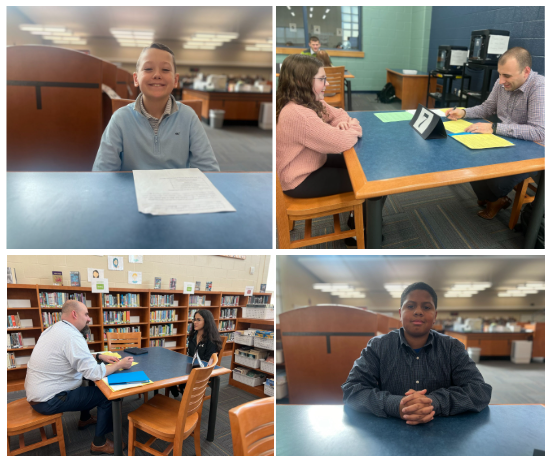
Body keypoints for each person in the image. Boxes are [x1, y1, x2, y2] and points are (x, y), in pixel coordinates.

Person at [342, 282, 492, 424]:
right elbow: (352, 390)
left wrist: (435, 402)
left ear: (435, 316)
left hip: (443, 432)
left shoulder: (452, 348)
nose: (418, 311)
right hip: (390, 432)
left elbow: (480, 391)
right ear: (400, 313)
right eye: (411, 306)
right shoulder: (378, 346)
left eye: (427, 307)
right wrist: (395, 405)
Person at [277, 54, 367, 247]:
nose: (326, 84)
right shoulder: (299, 114)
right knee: (368, 181)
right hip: (298, 180)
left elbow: (339, 113)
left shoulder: (308, 101)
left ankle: (355, 217)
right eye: (322, 79)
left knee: (363, 166)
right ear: (303, 81)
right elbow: (343, 141)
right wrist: (352, 127)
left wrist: (343, 123)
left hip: (312, 161)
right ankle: (359, 232)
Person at [446, 47, 544, 220]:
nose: (501, 81)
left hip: (533, 148)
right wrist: (463, 112)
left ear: (526, 71)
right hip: (505, 139)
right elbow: (487, 107)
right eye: (500, 74)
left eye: (507, 76)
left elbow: (538, 131)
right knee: (470, 158)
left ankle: (494, 199)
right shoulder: (502, 83)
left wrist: (495, 128)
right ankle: (493, 198)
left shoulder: (539, 88)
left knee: (495, 180)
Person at [25, 300, 134, 454]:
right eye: (86, 314)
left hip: (38, 394)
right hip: (49, 400)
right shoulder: (72, 336)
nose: (89, 318)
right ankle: (99, 443)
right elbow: (94, 373)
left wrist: (99, 356)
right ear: (74, 314)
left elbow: (73, 356)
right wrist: (119, 364)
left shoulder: (53, 329)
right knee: (108, 395)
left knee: (86, 381)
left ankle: (85, 419)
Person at [92, 42, 219, 172]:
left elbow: (209, 169)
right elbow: (103, 172)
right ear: (136, 79)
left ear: (175, 80)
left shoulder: (188, 117)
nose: (157, 75)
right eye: (148, 69)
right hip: (132, 189)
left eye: (165, 70)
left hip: (176, 190)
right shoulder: (120, 118)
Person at [169, 309, 222, 398]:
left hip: (202, 369)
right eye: (194, 319)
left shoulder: (211, 339)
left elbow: (207, 361)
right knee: (169, 368)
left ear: (207, 321)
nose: (195, 322)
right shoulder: (193, 336)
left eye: (198, 320)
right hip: (192, 365)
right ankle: (177, 393)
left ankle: (183, 392)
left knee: (175, 373)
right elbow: (190, 355)